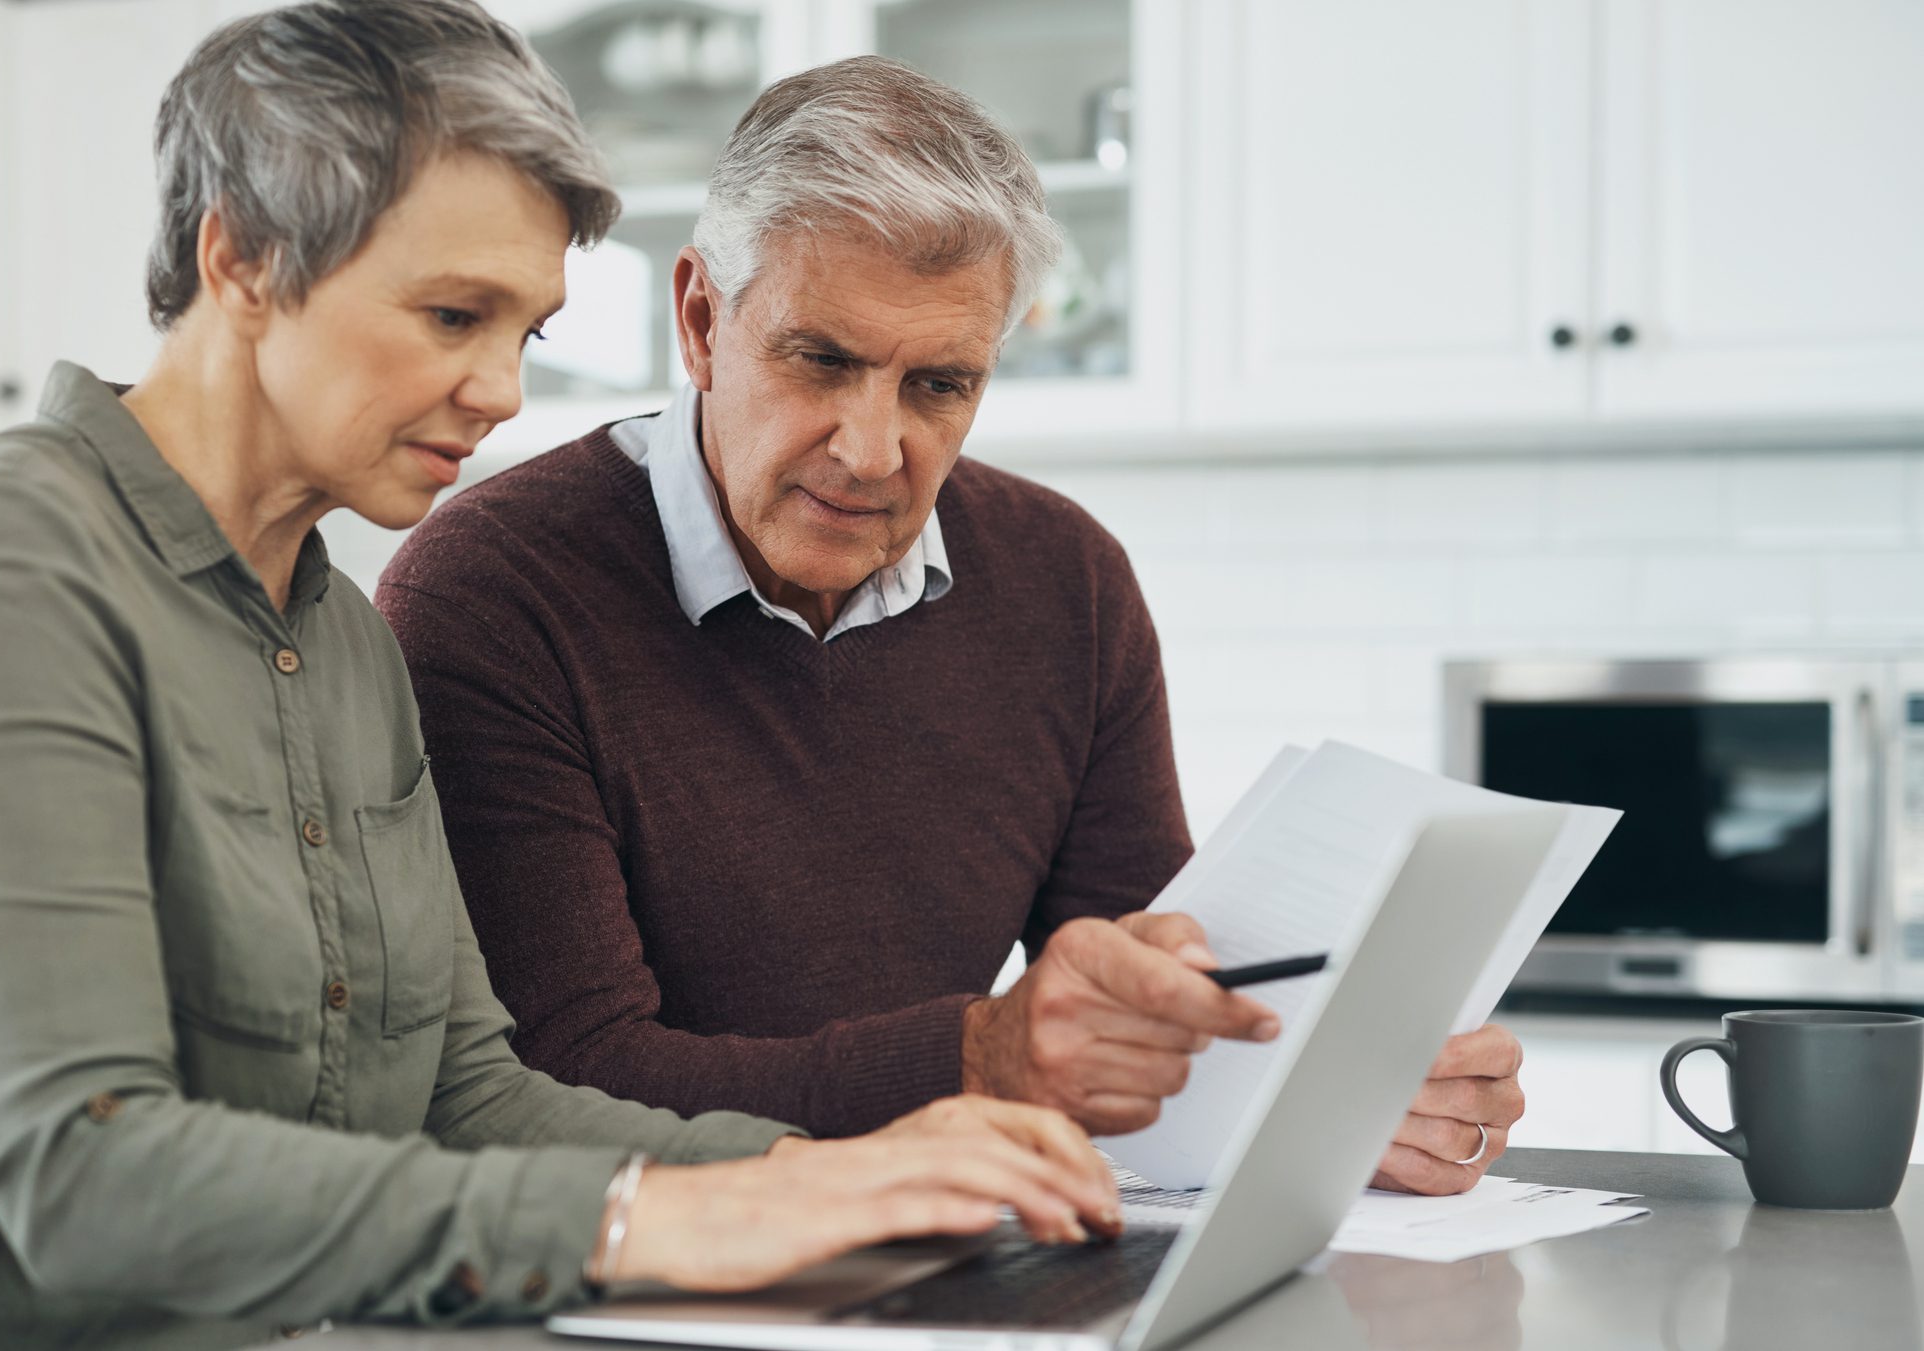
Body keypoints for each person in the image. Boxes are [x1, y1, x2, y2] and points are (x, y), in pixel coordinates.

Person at [0, 8, 1123, 1348]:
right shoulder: (5, 560)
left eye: (528, 332)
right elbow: (84, 1172)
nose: (503, 390)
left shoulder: (338, 635)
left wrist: (837, 1167)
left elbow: (464, 1092)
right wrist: (657, 1207)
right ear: (243, 260)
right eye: (454, 316)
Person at [378, 56, 1526, 1194]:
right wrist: (980, 1059)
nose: (872, 450)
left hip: (947, 1263)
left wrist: (1336, 1098)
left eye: (939, 385)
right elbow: (558, 1084)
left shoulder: (1066, 580)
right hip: (643, 1277)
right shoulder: (493, 591)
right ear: (699, 319)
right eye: (820, 360)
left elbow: (1137, 1013)